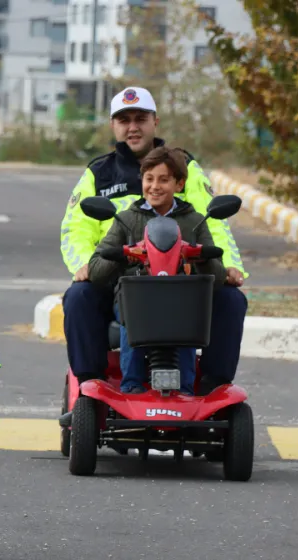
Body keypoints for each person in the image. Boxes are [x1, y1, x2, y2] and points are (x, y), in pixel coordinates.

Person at [59, 86, 248, 397]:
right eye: (124, 120)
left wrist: (228, 267)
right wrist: (84, 264)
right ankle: (92, 388)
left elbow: (213, 224)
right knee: (78, 297)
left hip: (182, 280)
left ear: (154, 122)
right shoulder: (98, 173)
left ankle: (211, 388)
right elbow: (75, 228)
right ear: (113, 125)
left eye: (140, 118)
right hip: (120, 280)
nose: (133, 127)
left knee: (232, 300)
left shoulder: (184, 166)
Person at [87, 147, 227, 396]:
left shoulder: (194, 221)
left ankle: (184, 389)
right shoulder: (126, 220)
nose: (155, 186)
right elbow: (97, 269)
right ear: (141, 181)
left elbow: (217, 275)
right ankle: (131, 386)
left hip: (181, 299)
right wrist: (124, 254)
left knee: (186, 318)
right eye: (149, 179)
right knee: (134, 315)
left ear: (179, 183)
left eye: (164, 179)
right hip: (135, 298)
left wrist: (201, 255)